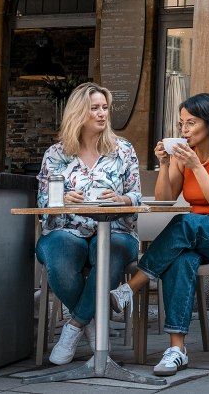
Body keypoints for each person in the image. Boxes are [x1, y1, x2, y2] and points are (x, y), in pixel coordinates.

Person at [109, 93, 209, 377]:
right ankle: (177, 349)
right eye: (181, 124)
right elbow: (164, 200)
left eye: (191, 123)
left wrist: (196, 167)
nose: (184, 130)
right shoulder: (182, 156)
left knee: (187, 222)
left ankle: (133, 286)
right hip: (195, 237)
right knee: (183, 257)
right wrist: (165, 165)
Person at [35, 82, 141, 365]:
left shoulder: (124, 151)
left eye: (105, 108)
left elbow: (136, 196)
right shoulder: (56, 155)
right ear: (78, 113)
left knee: (108, 251)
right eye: (95, 108)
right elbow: (43, 203)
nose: (102, 114)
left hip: (115, 230)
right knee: (57, 257)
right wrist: (63, 199)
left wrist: (120, 198)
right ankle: (92, 323)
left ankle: (73, 328)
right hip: (67, 229)